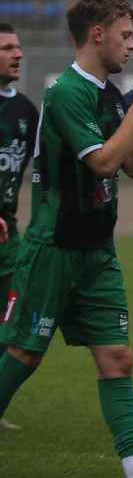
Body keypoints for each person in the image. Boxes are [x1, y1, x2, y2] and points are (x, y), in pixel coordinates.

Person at [0, 0, 133, 478]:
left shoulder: (112, 96)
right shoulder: (67, 92)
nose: (132, 45)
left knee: (117, 357)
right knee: (24, 353)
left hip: (96, 249)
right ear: (97, 35)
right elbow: (105, 163)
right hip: (54, 247)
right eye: (125, 35)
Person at [0, 23, 36, 433]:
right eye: (8, 47)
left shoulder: (26, 110)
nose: (18, 53)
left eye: (19, 46)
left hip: (10, 235)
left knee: (12, 321)